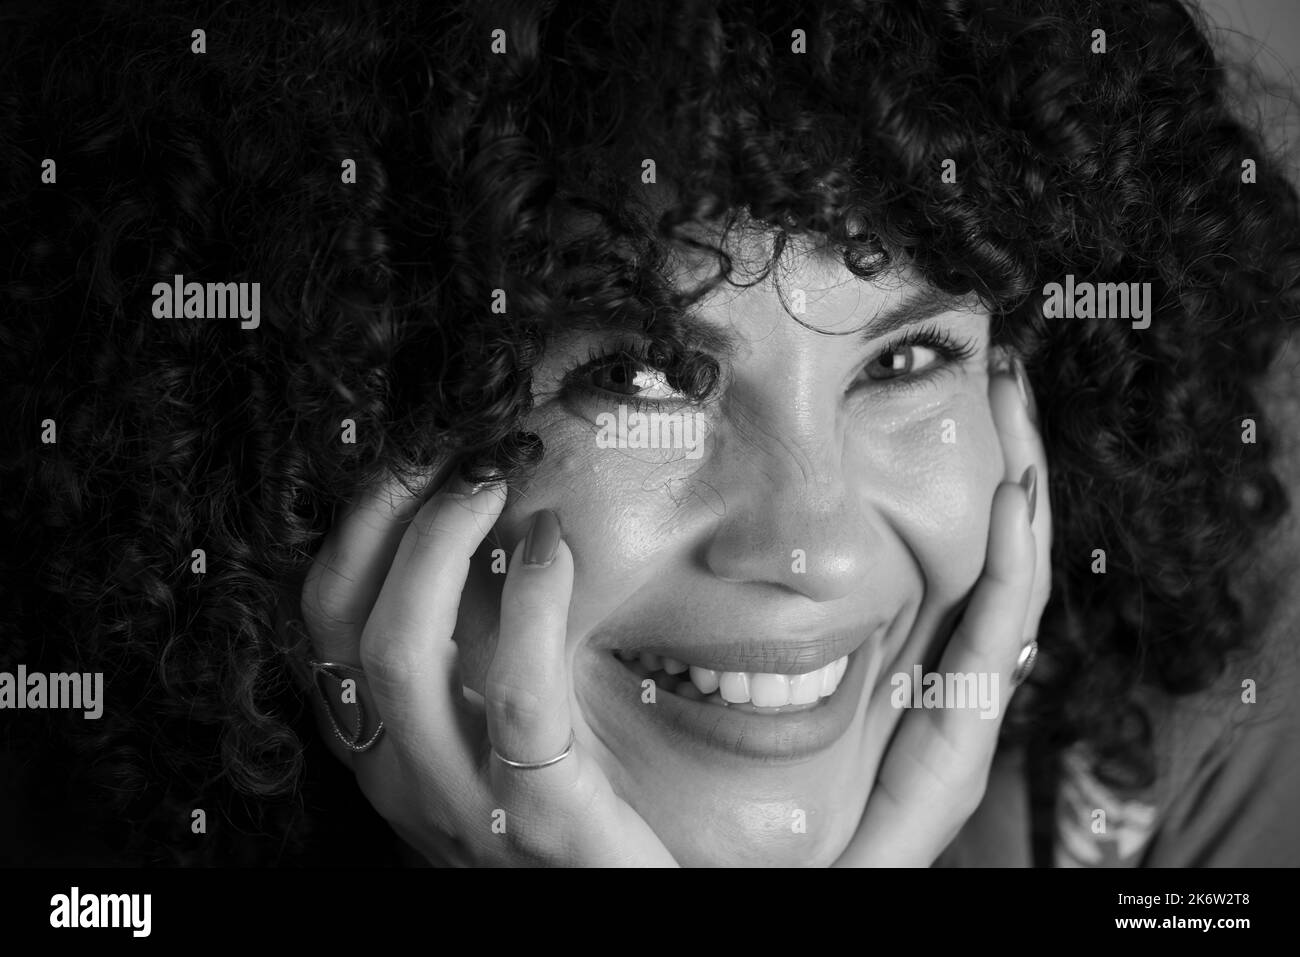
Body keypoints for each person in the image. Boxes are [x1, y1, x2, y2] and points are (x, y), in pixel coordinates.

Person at [1, 0, 1296, 867]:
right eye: (643, 374)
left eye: (907, 359)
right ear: (345, 423)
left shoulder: (1194, 759)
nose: (812, 546)